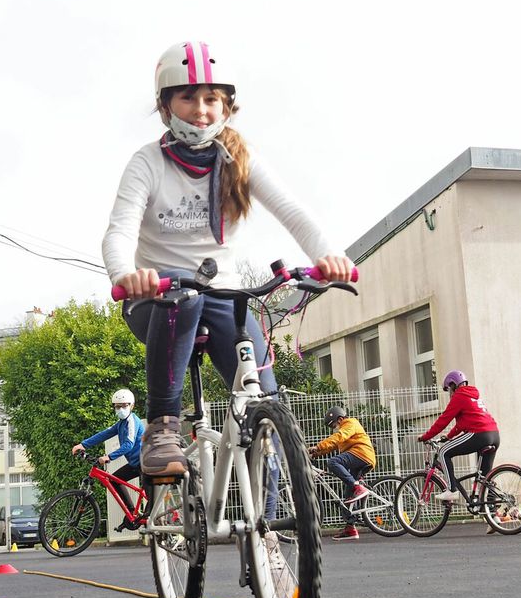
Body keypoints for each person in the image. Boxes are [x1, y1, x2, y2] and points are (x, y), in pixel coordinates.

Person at [103, 40, 355, 477]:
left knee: (267, 410)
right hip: (157, 298)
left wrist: (328, 257)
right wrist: (128, 274)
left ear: (227, 106)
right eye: (188, 97)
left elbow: (292, 210)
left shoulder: (239, 158)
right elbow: (119, 231)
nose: (201, 109)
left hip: (223, 295)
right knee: (184, 294)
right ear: (165, 106)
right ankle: (162, 425)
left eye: (211, 99)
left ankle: (273, 532)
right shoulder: (147, 162)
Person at [417, 370, 500, 507]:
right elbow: (461, 424)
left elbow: (443, 420)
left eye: (449, 389)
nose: (449, 393)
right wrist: (448, 436)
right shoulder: (473, 396)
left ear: (454, 385)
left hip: (479, 434)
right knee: (485, 478)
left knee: (443, 452)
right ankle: (493, 515)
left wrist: (426, 436)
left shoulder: (459, 396)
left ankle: (451, 490)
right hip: (494, 435)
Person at [309, 406, 376, 541]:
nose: (335, 428)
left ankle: (358, 488)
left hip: (361, 454)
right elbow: (334, 445)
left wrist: (318, 446)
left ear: (340, 419)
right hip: (359, 456)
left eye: (334, 425)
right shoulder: (345, 429)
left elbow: (339, 437)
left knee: (333, 462)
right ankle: (350, 528)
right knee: (348, 494)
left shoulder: (350, 423)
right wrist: (316, 452)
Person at [71, 389, 145, 512]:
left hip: (145, 463)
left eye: (124, 406)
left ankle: (154, 520)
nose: (120, 409)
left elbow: (129, 444)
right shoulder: (121, 423)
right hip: (135, 463)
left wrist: (109, 457)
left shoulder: (132, 421)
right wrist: (83, 445)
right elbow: (105, 433)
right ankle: (132, 513)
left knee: (152, 505)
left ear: (132, 406)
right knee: (114, 480)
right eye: (117, 406)